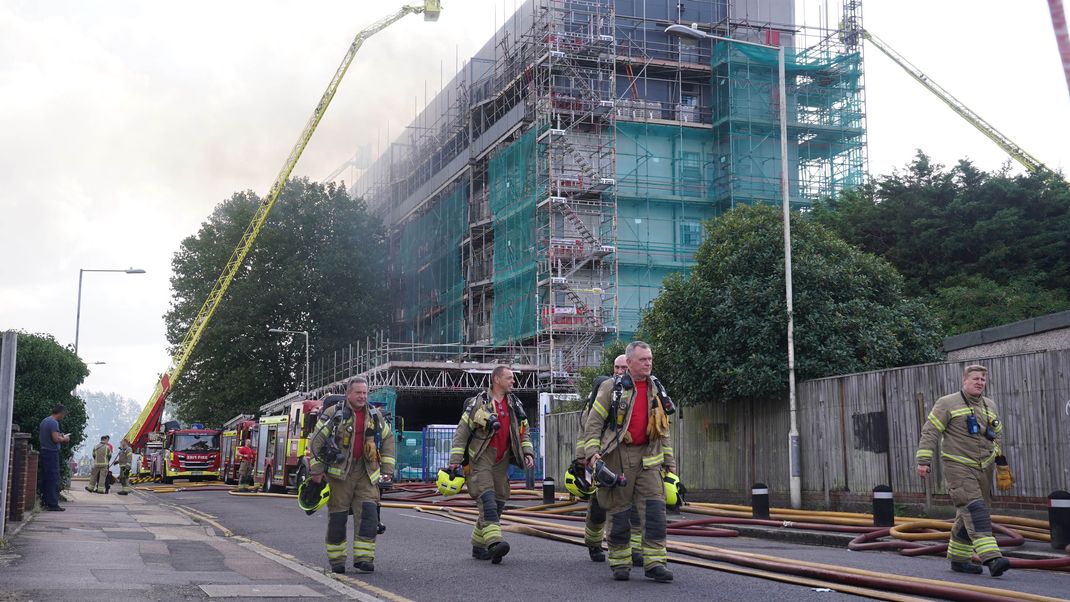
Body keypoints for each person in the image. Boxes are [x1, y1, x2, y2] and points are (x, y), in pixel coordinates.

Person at [581, 341, 676, 583]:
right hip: (618, 457)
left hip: (649, 458)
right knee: (620, 512)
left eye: (650, 359)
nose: (648, 363)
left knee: (655, 511)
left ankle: (655, 561)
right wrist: (592, 454)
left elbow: (662, 429)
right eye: (643, 359)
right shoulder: (610, 388)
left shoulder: (656, 388)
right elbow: (593, 424)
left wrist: (669, 462)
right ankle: (620, 562)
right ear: (630, 362)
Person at [916, 364, 1012, 577]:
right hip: (958, 465)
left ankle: (959, 560)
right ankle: (992, 558)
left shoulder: (989, 405)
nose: (980, 382)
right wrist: (924, 460)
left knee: (968, 512)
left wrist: (1001, 462)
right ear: (965, 381)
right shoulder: (947, 403)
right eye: (976, 379)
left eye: (983, 380)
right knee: (975, 509)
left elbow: (995, 435)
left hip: (984, 467)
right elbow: (930, 431)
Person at [308, 377, 396, 574]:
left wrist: (388, 470)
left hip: (366, 472)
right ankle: (337, 560)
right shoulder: (334, 414)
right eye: (358, 393)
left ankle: (364, 558)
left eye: (365, 393)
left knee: (369, 516)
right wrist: (316, 472)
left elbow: (388, 439)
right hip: (340, 475)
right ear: (349, 394)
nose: (363, 397)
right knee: (338, 517)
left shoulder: (374, 415)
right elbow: (316, 442)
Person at [449, 366, 535, 565]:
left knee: (498, 500)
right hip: (481, 458)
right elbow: (462, 432)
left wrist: (527, 451)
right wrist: (455, 461)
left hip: (502, 458)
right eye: (509, 378)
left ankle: (478, 547)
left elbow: (524, 429)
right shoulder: (478, 403)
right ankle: (495, 543)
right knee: (486, 499)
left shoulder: (515, 403)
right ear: (496, 379)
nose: (513, 381)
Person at [576, 355, 643, 566]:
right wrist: (583, 458)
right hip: (602, 457)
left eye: (624, 367)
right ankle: (594, 543)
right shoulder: (604, 392)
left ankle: (633, 550)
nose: (620, 371)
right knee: (598, 506)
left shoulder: (637, 392)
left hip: (629, 459)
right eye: (617, 367)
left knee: (632, 506)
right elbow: (588, 427)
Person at [38, 404, 71, 511]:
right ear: (60, 413)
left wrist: (59, 435)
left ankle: (45, 501)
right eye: (63, 415)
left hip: (44, 451)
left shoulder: (45, 421)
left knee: (46, 478)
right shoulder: (53, 422)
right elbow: (56, 439)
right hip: (51, 453)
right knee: (53, 478)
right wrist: (64, 438)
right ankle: (52, 504)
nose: (63, 417)